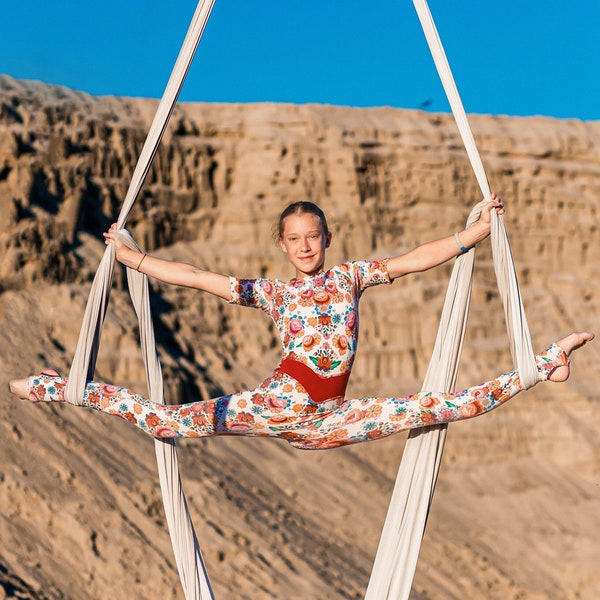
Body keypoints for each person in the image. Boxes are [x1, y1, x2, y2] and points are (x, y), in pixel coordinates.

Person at [9, 197, 594, 449]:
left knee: (447, 406)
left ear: (327, 239)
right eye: (296, 239)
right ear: (284, 247)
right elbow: (199, 277)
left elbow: (418, 257)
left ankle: (547, 363)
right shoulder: (272, 293)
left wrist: (476, 232)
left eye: (315, 236)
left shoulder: (352, 276)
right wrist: (134, 260)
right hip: (280, 405)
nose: (307, 245)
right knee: (166, 426)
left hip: (328, 422)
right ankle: (61, 386)